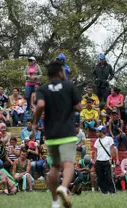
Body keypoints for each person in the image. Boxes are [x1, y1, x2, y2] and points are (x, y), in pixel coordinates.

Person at [33, 61, 82, 208]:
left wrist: (35, 122)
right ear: (61, 72)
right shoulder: (69, 86)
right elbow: (79, 107)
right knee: (68, 164)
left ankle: (55, 201)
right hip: (67, 132)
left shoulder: (42, 89)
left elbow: (40, 105)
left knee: (54, 166)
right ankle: (64, 187)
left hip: (51, 134)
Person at [93, 125, 116, 194]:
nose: (96, 133)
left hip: (107, 160)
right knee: (100, 178)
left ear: (102, 132)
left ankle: (112, 191)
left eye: (98, 132)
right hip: (98, 161)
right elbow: (95, 151)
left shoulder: (109, 139)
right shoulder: (97, 141)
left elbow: (112, 149)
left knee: (108, 177)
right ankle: (104, 192)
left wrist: (111, 158)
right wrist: (95, 160)